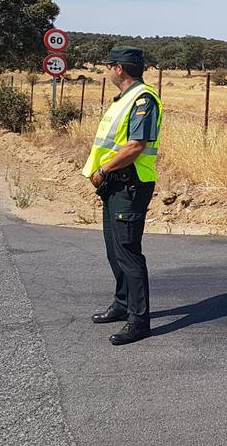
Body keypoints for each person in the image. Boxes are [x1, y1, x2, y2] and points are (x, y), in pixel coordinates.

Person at [82, 46, 162, 345]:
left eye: (109, 66)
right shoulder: (126, 99)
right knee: (114, 249)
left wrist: (103, 170)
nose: (107, 71)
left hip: (130, 183)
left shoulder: (143, 99)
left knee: (128, 252)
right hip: (115, 184)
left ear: (120, 69)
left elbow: (136, 145)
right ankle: (122, 303)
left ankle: (139, 321)